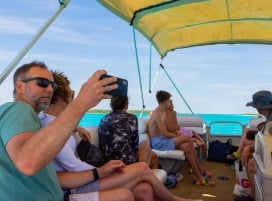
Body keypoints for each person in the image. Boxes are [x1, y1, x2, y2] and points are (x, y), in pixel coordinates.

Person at [39, 71, 197, 201]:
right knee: (142, 166)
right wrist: (102, 170)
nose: (73, 97)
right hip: (76, 184)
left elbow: (54, 122)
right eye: (71, 93)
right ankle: (173, 199)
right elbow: (74, 166)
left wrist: (76, 126)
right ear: (59, 97)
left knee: (144, 189)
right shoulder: (51, 127)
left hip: (85, 175)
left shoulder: (56, 122)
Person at [0, 61, 132, 201]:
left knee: (138, 191)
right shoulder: (18, 109)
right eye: (43, 82)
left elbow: (45, 126)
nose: (50, 89)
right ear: (20, 86)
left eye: (53, 85)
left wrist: (74, 127)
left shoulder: (31, 118)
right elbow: (27, 162)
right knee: (126, 195)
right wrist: (82, 102)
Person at [148, 90, 214, 186]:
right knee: (187, 138)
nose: (170, 102)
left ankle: (199, 175)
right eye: (169, 100)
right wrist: (180, 136)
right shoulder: (157, 113)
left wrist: (179, 135)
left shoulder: (161, 112)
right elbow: (166, 133)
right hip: (159, 142)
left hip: (163, 140)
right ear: (166, 101)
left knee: (187, 146)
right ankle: (200, 173)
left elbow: (167, 131)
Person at [240, 90, 272, 200]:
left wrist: (249, 148)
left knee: (251, 165)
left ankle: (253, 197)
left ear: (259, 107)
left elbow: (270, 144)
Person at [98, 95, 158, 168]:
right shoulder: (131, 118)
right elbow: (134, 145)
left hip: (107, 163)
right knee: (145, 144)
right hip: (126, 162)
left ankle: (145, 172)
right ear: (126, 105)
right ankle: (142, 172)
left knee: (154, 157)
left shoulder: (104, 119)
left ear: (111, 105)